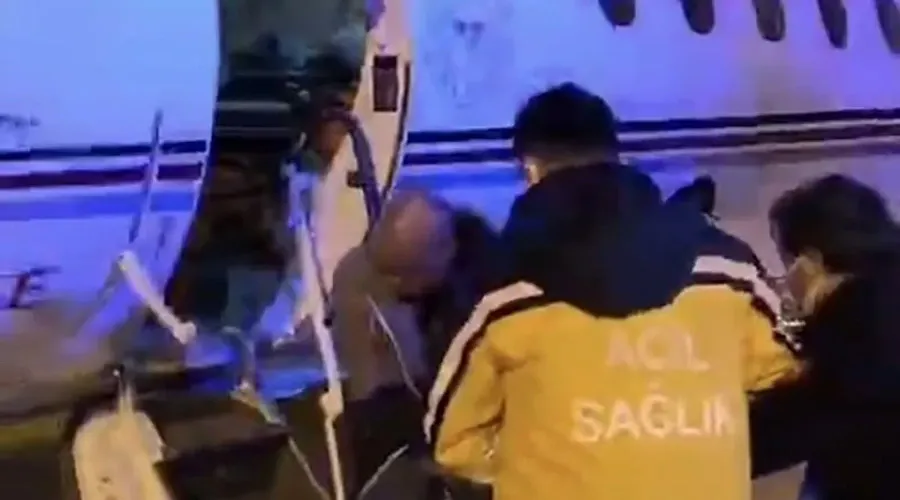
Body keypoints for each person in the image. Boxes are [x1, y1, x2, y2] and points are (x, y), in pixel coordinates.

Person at [424, 83, 799, 500]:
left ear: (530, 169)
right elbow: (783, 376)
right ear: (616, 156)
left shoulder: (503, 290)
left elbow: (454, 443)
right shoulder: (728, 269)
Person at [751, 174, 900, 499]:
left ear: (810, 262)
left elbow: (803, 422)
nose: (785, 284)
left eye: (785, 263)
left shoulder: (859, 332)